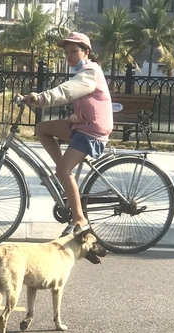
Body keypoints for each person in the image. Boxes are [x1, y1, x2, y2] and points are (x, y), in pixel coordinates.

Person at [22, 31, 113, 236]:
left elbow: (67, 91)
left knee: (63, 170)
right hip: (82, 124)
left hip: (92, 131)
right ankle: (62, 173)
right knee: (42, 129)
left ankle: (80, 219)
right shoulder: (83, 72)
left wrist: (40, 98)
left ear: (86, 52)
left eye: (73, 51)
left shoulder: (91, 71)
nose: (69, 56)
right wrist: (75, 116)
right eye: (66, 52)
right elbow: (85, 99)